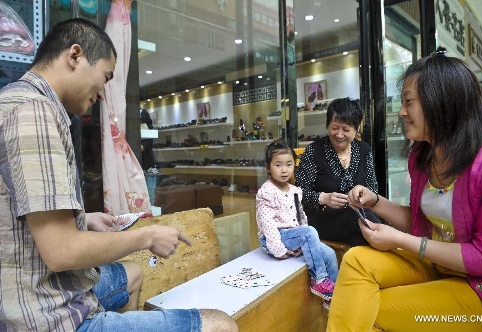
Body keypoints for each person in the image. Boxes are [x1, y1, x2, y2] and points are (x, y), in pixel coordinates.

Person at [0, 18, 238, 332]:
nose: (102, 93)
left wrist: (83, 220)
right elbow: (61, 251)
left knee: (133, 273)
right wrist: (147, 236)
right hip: (45, 314)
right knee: (220, 325)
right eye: (106, 76)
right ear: (75, 56)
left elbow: (25, 221)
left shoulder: (15, 101)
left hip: (40, 287)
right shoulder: (33, 112)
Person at [328, 48, 482, 331]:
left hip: (480, 288)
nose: (402, 111)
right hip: (433, 264)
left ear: (442, 102)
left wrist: (400, 239)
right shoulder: (422, 156)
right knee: (356, 260)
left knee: (370, 307)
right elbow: (422, 223)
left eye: (409, 102)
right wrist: (375, 201)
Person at [256, 142, 338, 306]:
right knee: (309, 232)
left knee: (330, 254)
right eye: (278, 165)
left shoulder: (295, 190)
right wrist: (278, 250)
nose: (284, 170)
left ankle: (332, 296)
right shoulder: (266, 191)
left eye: (289, 164)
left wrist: (304, 242)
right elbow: (267, 224)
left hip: (295, 235)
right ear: (268, 167)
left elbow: (301, 217)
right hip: (276, 238)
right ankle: (319, 279)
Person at [295, 97, 380, 246]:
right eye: (335, 128)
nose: (339, 134)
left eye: (346, 129)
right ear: (328, 125)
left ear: (356, 128)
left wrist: (362, 196)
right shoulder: (314, 151)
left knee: (359, 240)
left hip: (357, 219)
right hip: (322, 218)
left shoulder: (364, 150)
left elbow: (373, 188)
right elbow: (297, 193)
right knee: (364, 224)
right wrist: (323, 198)